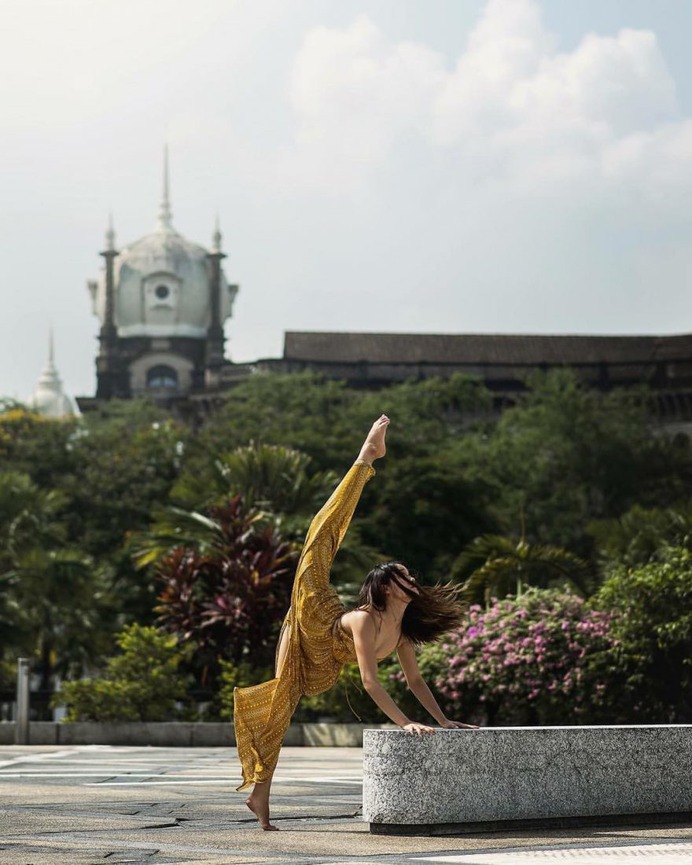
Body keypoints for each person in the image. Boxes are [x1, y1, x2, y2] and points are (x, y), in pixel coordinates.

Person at [234, 415, 477, 830]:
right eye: (404, 577)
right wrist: (405, 723)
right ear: (385, 586)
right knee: (319, 539)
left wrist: (440, 719)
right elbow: (370, 681)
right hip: (315, 618)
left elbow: (415, 681)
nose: (412, 581)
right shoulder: (367, 620)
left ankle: (260, 795)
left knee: (279, 707)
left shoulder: (401, 631)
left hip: (323, 659)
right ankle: (366, 458)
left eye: (411, 576)